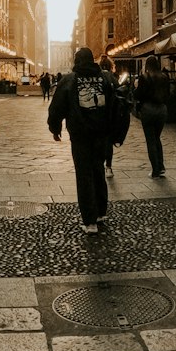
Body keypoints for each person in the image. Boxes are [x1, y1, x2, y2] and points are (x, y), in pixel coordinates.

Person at [48, 47, 117, 234]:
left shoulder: (69, 80)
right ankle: (101, 212)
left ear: (77, 61)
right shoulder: (105, 78)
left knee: (84, 174)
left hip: (80, 136)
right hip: (101, 134)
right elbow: (114, 104)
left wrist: (55, 128)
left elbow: (56, 108)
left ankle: (90, 221)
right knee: (98, 170)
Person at [134, 55, 171, 178]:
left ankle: (155, 169)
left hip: (148, 109)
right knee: (157, 138)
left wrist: (136, 87)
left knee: (150, 140)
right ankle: (161, 166)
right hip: (162, 109)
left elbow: (138, 95)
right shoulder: (165, 77)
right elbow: (168, 94)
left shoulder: (144, 77)